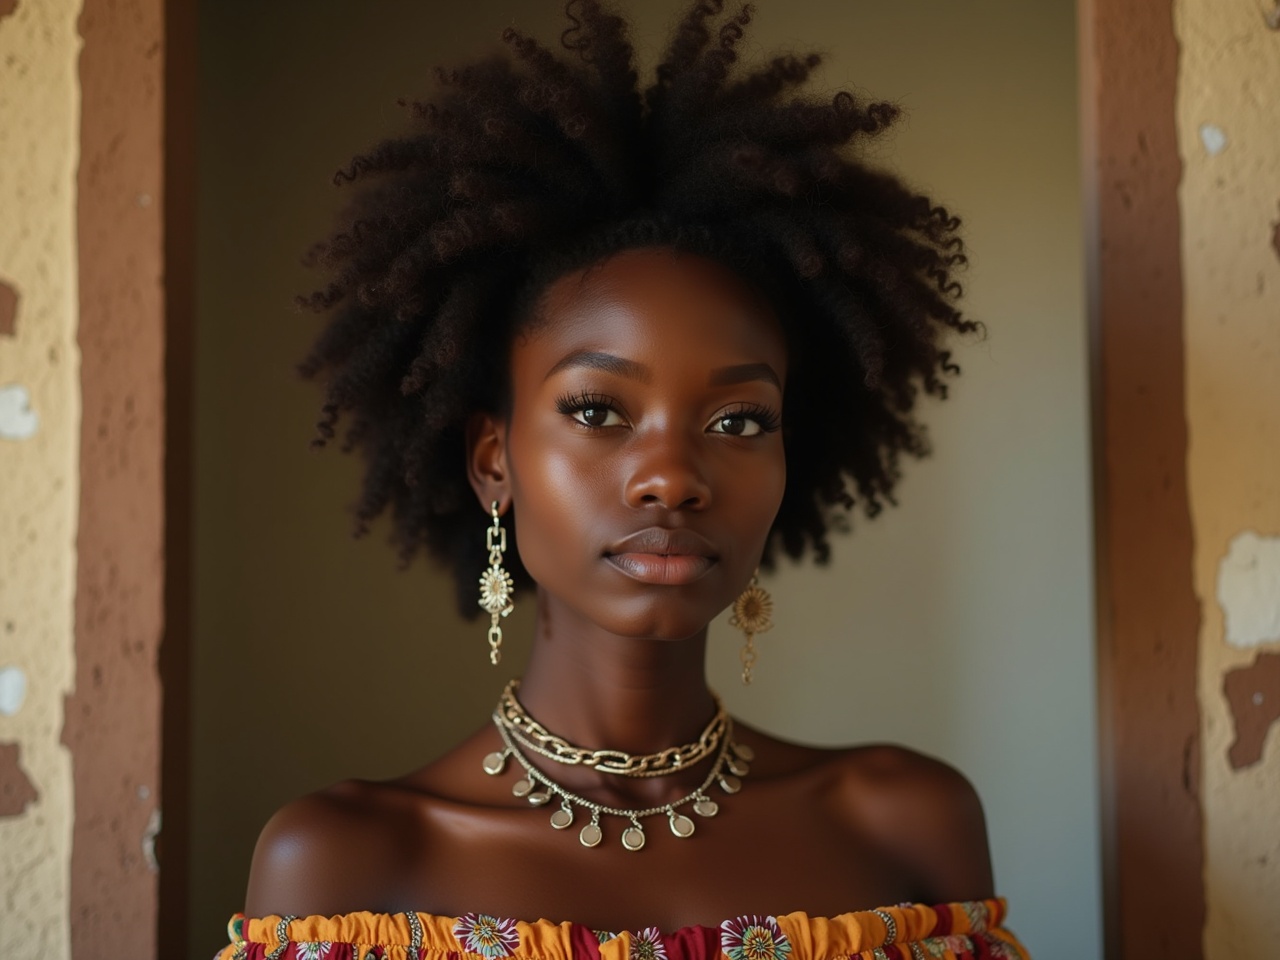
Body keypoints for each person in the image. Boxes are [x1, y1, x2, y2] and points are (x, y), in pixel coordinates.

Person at [218, 2, 1029, 957]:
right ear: (494, 461)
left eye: (739, 421)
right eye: (598, 410)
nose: (671, 479)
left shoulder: (904, 825)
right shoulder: (342, 867)